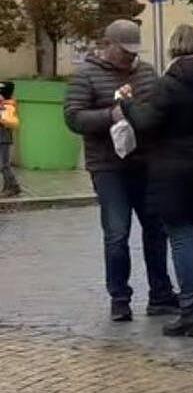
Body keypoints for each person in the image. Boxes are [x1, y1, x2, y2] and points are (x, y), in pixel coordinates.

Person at [121, 25, 193, 337]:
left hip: (174, 171)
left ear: (173, 49)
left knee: (182, 238)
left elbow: (146, 123)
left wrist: (128, 103)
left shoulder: (169, 84)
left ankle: (189, 310)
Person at [64, 19, 178, 322]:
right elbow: (73, 118)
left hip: (146, 162)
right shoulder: (85, 75)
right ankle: (119, 297)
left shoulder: (146, 72)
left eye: (133, 52)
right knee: (117, 233)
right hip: (107, 166)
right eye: (124, 51)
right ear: (107, 45)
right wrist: (110, 115)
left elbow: (159, 110)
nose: (130, 57)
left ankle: (161, 294)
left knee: (156, 229)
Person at [0, 81, 21, 197]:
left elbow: (8, 121)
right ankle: (7, 186)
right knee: (2, 165)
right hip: (2, 138)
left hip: (4, 139)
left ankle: (14, 186)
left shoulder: (7, 106)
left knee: (4, 165)